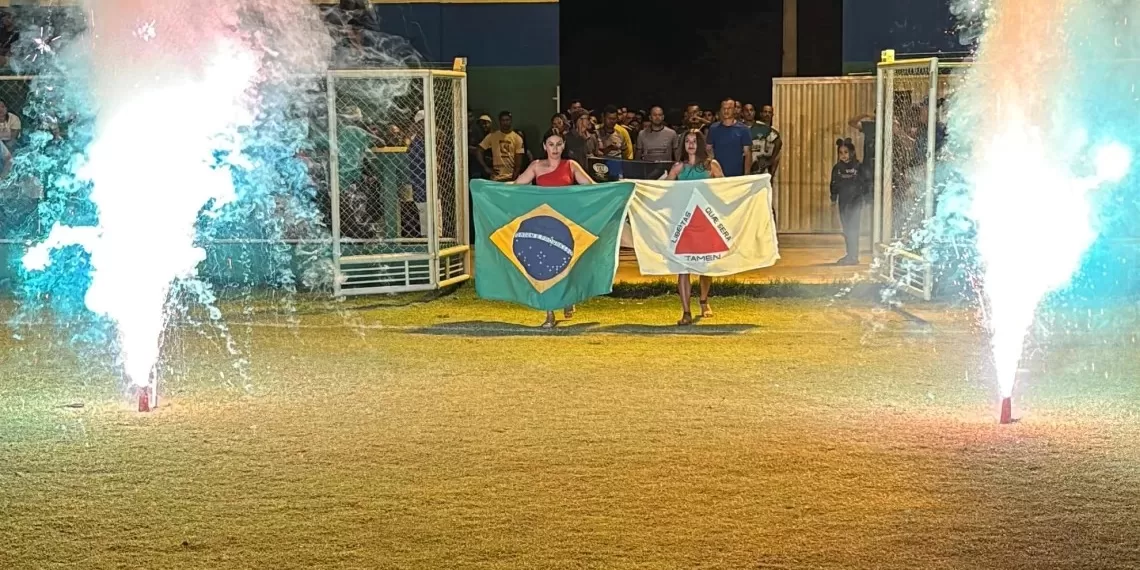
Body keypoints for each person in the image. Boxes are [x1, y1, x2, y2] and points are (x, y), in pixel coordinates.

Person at [513, 131, 595, 329]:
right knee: (544, 267)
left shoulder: (571, 166)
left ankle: (568, 298)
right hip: (543, 224)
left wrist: (615, 191)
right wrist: (491, 189)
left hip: (566, 224)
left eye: (559, 144)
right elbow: (516, 187)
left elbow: (592, 187)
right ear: (544, 146)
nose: (555, 148)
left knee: (567, 264)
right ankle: (549, 313)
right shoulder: (536, 166)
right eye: (551, 144)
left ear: (563, 145)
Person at [666, 130, 723, 325]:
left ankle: (704, 300)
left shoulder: (711, 165)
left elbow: (725, 189)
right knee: (683, 267)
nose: (690, 145)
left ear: (700, 144)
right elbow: (664, 191)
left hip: (705, 222)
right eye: (687, 141)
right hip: (683, 223)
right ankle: (686, 312)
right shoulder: (678, 168)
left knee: (705, 265)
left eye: (694, 141)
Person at [830, 138, 868, 265]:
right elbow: (833, 184)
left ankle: (853, 256)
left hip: (855, 202)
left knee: (853, 229)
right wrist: (833, 199)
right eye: (840, 153)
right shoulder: (837, 168)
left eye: (846, 152)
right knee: (846, 229)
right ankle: (850, 254)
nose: (843, 155)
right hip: (843, 202)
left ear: (852, 153)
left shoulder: (858, 167)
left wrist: (866, 199)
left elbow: (865, 183)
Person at [705, 98, 752, 177]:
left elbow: (748, 154)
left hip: (737, 175)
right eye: (724, 108)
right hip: (717, 176)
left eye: (729, 108)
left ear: (734, 110)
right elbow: (708, 149)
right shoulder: (713, 128)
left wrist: (747, 174)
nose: (726, 111)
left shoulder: (743, 129)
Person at [477, 110, 525, 181]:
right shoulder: (493, 136)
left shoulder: (517, 138)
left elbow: (518, 162)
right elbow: (479, 150)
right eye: (503, 120)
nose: (505, 122)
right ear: (499, 121)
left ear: (511, 121)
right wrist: (486, 168)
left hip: (511, 177)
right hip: (496, 177)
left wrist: (513, 179)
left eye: (507, 120)